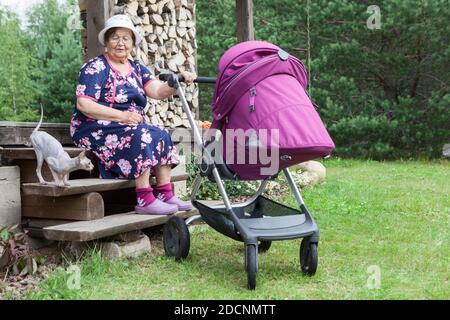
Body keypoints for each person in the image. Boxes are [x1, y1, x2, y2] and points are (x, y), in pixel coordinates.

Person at [70, 15, 195, 215]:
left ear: (133, 43)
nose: (121, 43)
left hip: (127, 124)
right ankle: (144, 199)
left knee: (161, 133)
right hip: (93, 126)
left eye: (126, 38)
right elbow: (84, 104)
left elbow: (157, 91)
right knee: (141, 134)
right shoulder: (96, 67)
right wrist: (122, 117)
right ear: (107, 42)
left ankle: (164, 193)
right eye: (115, 37)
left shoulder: (137, 68)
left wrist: (176, 80)